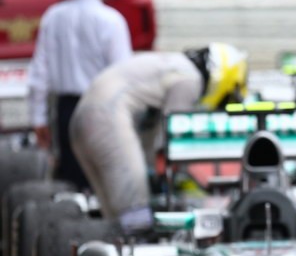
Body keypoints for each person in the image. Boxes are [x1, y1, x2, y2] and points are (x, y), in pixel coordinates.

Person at [70, 43, 248, 231]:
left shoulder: (174, 66)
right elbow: (173, 140)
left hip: (83, 118)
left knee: (114, 217)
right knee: (135, 215)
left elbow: (150, 134)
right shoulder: (190, 80)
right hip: (107, 117)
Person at [26, 0, 132, 189]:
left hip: (67, 111)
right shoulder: (111, 20)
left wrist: (38, 119)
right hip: (103, 109)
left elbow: (39, 74)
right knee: (106, 177)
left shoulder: (53, 17)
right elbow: (124, 76)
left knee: (71, 180)